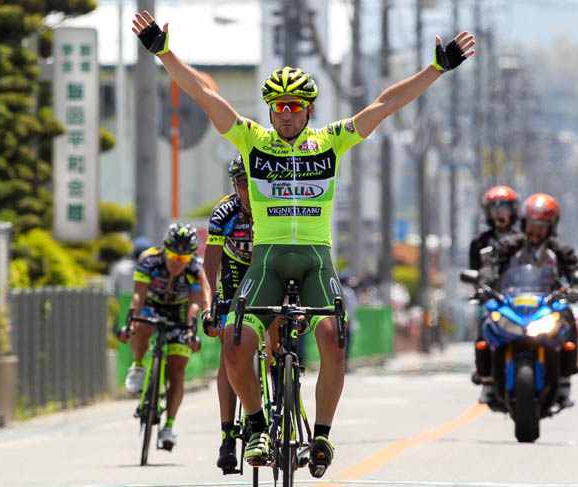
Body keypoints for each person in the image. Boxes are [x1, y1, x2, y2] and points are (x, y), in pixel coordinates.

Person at [132, 10, 474, 477]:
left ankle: (322, 437)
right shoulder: (253, 141)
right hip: (267, 260)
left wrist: (436, 68)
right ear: (270, 111)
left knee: (334, 340)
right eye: (279, 106)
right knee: (235, 346)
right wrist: (163, 52)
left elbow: (385, 103)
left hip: (316, 260)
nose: (287, 113)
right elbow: (205, 94)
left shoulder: (329, 143)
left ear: (309, 110)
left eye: (296, 106)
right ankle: (255, 425)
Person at [478, 193, 578, 408]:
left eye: (542, 225)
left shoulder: (560, 251)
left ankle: (565, 380)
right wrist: (484, 285)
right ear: (523, 223)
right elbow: (489, 267)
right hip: (512, 302)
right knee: (486, 323)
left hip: (548, 304)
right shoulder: (508, 246)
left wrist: (575, 291)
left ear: (552, 226)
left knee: (568, 322)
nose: (536, 230)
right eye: (532, 224)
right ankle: (488, 381)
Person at [119, 222, 208, 450]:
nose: (176, 263)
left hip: (179, 313)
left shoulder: (195, 269)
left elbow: (194, 304)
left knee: (177, 371)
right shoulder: (149, 260)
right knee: (142, 326)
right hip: (153, 306)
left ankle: (168, 426)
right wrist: (131, 322)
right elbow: (138, 296)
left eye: (182, 259)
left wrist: (191, 329)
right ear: (164, 249)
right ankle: (139, 366)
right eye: (173, 256)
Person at [201, 154, 255, 473]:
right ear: (234, 185)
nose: (249, 190)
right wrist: (210, 307)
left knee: (279, 337)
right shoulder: (226, 213)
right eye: (242, 184)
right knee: (229, 350)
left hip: (266, 278)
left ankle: (276, 404)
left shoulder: (273, 207)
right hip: (234, 284)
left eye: (253, 183)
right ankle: (227, 436)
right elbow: (210, 267)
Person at [468, 185, 519, 402]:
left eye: (504, 207)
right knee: (483, 325)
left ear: (513, 210)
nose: (499, 213)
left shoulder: (525, 238)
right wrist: (481, 289)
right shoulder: (480, 242)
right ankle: (486, 377)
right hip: (493, 298)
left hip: (522, 296)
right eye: (494, 208)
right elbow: (475, 272)